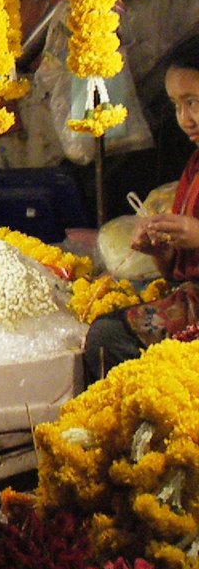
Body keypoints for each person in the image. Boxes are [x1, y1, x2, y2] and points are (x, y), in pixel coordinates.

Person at [85, 37, 199, 381]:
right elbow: (175, 274)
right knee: (104, 330)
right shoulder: (194, 166)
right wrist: (162, 252)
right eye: (176, 105)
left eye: (193, 102)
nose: (185, 119)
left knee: (107, 338)